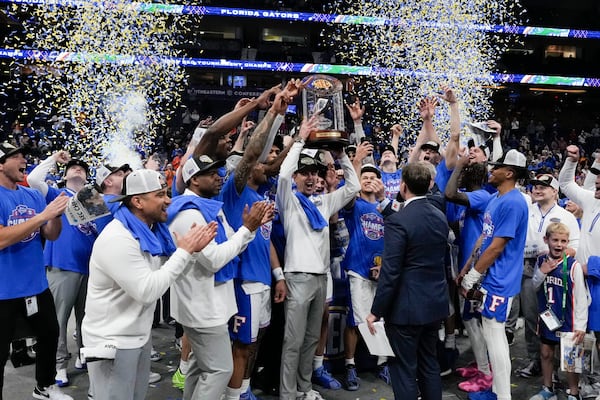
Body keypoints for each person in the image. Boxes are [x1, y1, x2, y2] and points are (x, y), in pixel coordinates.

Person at [81, 169, 217, 400]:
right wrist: (185, 252)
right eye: (160, 195)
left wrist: (191, 253)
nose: (168, 200)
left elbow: (165, 273)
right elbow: (148, 291)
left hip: (136, 337)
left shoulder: (150, 231)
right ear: (138, 201)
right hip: (112, 342)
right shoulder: (119, 238)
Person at [167, 155, 272, 400]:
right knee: (219, 370)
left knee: (198, 366)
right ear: (194, 180)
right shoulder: (189, 213)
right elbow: (214, 259)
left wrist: (249, 229)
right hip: (202, 306)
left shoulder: (209, 206)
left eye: (219, 171)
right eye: (211, 173)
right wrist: (248, 230)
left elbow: (231, 242)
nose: (219, 177)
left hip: (208, 303)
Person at [277, 116, 360, 400]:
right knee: (293, 341)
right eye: (306, 173)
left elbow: (353, 188)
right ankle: (288, 394)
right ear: (298, 177)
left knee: (311, 339)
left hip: (321, 277)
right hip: (297, 276)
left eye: (315, 173)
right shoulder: (288, 201)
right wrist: (299, 141)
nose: (311, 178)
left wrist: (341, 157)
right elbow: (284, 175)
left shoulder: (324, 202)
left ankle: (304, 388)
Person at [366, 162, 450, 400]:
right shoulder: (439, 216)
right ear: (429, 185)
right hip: (434, 305)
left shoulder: (400, 221)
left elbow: (390, 273)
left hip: (406, 310)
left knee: (403, 369)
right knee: (429, 364)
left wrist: (376, 311)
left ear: (403, 187)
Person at [0, 141, 72, 400]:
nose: (23, 161)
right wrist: (42, 217)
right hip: (4, 290)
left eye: (23, 156)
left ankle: (44, 386)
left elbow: (51, 235)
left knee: (49, 334)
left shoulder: (31, 195)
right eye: (16, 156)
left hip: (36, 285)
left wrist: (56, 214)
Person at [460, 149, 529, 400]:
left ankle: (502, 396)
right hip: (490, 277)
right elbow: (484, 237)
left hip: (500, 281)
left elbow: (497, 246)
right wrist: (468, 266)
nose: (491, 169)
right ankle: (497, 392)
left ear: (509, 173)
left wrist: (471, 278)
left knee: (496, 336)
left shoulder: (513, 202)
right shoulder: (496, 198)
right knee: (491, 335)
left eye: (497, 167)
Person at [27, 151, 97, 387]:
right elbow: (33, 180)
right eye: (73, 168)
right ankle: (58, 365)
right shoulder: (58, 194)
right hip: (62, 266)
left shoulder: (92, 199)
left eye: (82, 168)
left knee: (86, 319)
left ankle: (83, 354)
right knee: (59, 320)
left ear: (87, 177)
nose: (78, 169)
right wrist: (54, 159)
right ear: (64, 176)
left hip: (90, 267)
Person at [511, 174, 579, 379]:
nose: (538, 190)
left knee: (561, 317)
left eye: (543, 187)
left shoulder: (565, 215)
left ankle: (558, 365)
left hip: (558, 270)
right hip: (528, 267)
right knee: (533, 316)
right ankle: (535, 360)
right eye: (535, 186)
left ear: (555, 191)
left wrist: (552, 259)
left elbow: (574, 246)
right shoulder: (526, 210)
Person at [340, 162, 386, 391]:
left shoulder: (385, 207)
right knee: (356, 321)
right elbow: (348, 195)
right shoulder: (354, 205)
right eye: (364, 177)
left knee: (381, 319)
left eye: (373, 177)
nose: (368, 180)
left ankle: (382, 362)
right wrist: (355, 166)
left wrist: (385, 265)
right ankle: (350, 365)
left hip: (382, 271)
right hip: (358, 269)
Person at [528, 223, 587, 400]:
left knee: (571, 360)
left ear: (568, 242)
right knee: (546, 353)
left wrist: (581, 325)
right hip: (548, 317)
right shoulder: (541, 261)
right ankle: (548, 388)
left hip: (568, 319)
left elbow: (581, 297)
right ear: (547, 240)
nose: (559, 244)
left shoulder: (573, 266)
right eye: (555, 240)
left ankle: (574, 392)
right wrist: (542, 272)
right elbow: (534, 286)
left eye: (563, 241)